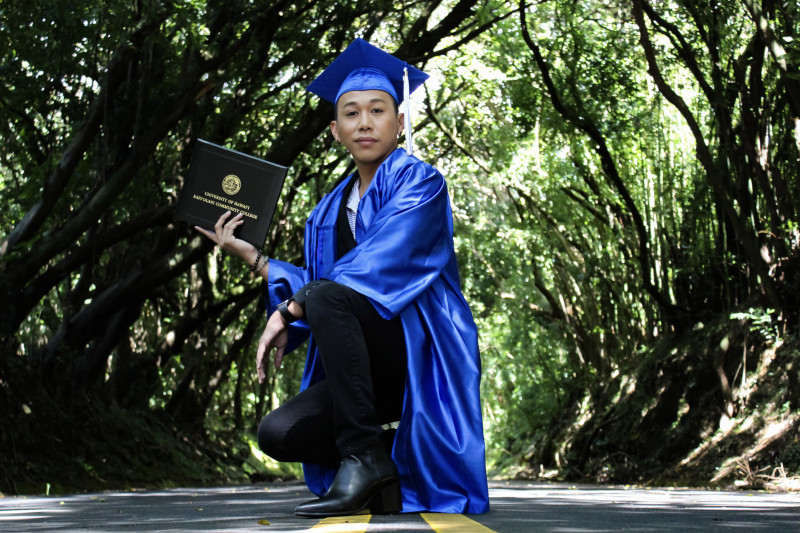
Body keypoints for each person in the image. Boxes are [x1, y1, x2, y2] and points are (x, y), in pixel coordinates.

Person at [198, 38, 489, 517]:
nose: (365, 122)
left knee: (327, 297)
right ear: (335, 131)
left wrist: (291, 308)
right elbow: (317, 281)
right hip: (361, 367)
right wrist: (254, 258)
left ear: (399, 123)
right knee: (279, 433)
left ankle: (362, 457)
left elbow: (378, 264)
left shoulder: (420, 182)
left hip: (417, 353)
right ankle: (387, 463)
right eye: (351, 114)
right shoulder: (326, 212)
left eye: (378, 110)